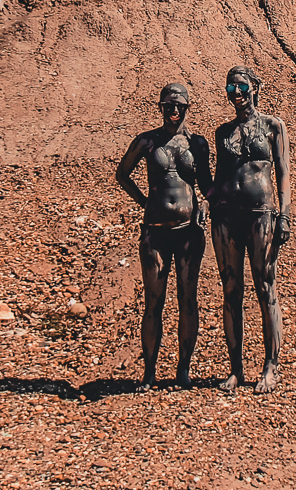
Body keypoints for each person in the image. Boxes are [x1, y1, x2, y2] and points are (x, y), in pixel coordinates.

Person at [115, 83, 214, 390]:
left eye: (179, 106)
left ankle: (183, 370)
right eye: (168, 106)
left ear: (187, 108)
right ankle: (149, 372)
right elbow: (122, 174)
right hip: (155, 232)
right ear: (160, 107)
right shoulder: (147, 141)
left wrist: (207, 204)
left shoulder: (196, 144)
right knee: (153, 301)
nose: (174, 111)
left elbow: (207, 184)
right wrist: (145, 203)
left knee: (188, 299)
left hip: (188, 232)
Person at [210, 65, 291, 394]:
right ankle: (236, 369)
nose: (237, 94)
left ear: (255, 87)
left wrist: (285, 214)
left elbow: (283, 171)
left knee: (265, 288)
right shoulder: (223, 132)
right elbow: (218, 177)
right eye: (231, 89)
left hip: (261, 215)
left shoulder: (273, 126)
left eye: (242, 87)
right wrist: (208, 206)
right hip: (227, 218)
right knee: (231, 292)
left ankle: (270, 366)